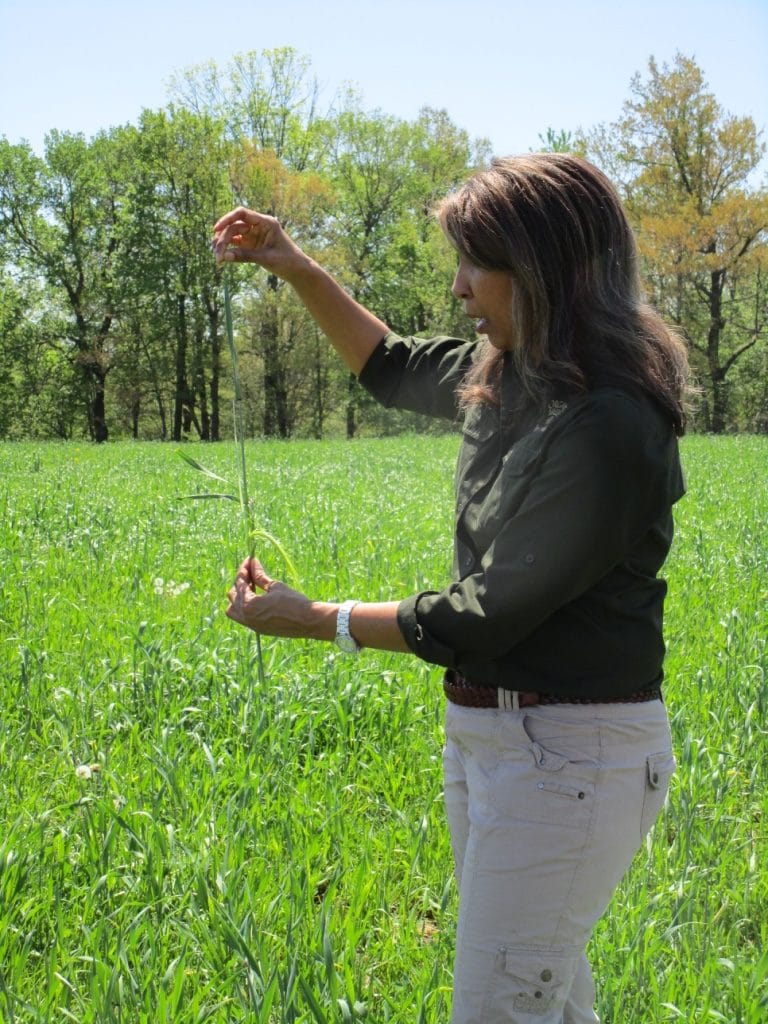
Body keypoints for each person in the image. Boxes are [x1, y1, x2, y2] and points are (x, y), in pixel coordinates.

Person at [213, 153, 689, 1024]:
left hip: (568, 755)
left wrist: (318, 619)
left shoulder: (610, 421)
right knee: (543, 1002)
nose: (461, 287)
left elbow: (492, 611)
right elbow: (390, 365)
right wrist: (296, 265)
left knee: (501, 1009)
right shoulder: (509, 372)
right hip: (498, 737)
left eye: (479, 261)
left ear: (548, 270)